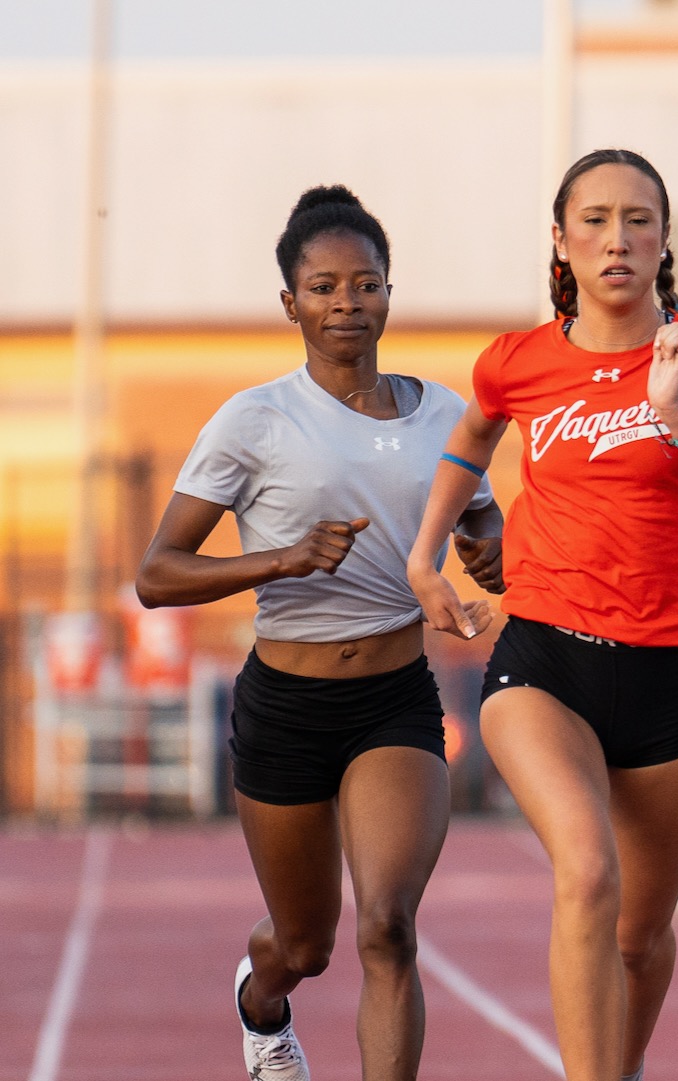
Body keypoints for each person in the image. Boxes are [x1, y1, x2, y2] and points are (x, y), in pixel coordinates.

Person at [408, 148, 678, 1081]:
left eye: (639, 219)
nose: (618, 238)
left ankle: (620, 1062)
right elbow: (467, 443)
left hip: (676, 675)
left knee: (642, 935)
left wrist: (676, 418)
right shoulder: (517, 361)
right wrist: (426, 555)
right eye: (597, 219)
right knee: (588, 872)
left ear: (663, 239)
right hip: (547, 657)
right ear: (563, 242)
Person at [135, 186, 503, 1081]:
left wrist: (486, 554)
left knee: (390, 925)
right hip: (288, 704)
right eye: (325, 286)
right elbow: (157, 574)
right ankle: (261, 1006)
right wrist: (281, 560)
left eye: (365, 283)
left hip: (394, 698)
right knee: (307, 942)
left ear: (389, 292)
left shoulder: (442, 414)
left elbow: (482, 522)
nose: (348, 303)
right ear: (291, 302)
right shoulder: (255, 419)